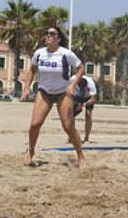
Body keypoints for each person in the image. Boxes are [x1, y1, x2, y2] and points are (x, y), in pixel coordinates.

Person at [22, 26, 87, 168]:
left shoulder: (66, 54)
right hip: (44, 92)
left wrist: (72, 84)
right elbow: (32, 70)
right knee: (35, 124)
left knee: (68, 126)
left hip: (62, 93)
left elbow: (81, 68)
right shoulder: (39, 53)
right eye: (47, 33)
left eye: (52, 34)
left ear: (58, 38)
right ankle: (30, 152)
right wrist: (26, 88)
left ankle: (80, 156)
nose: (48, 36)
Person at [71, 75, 97, 142]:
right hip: (76, 96)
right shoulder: (72, 80)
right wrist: (77, 105)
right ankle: (71, 136)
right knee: (71, 115)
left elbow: (93, 98)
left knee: (88, 115)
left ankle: (87, 137)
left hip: (88, 97)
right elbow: (68, 95)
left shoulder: (90, 83)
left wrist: (84, 104)